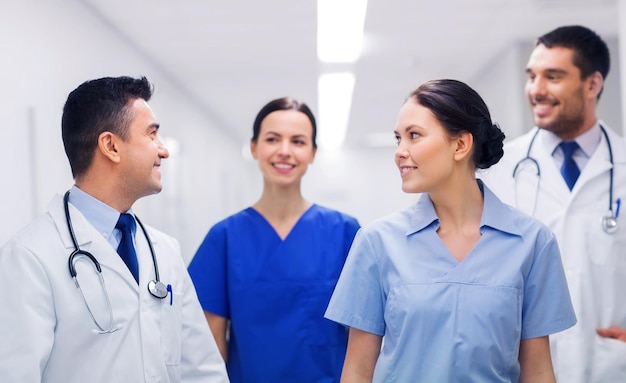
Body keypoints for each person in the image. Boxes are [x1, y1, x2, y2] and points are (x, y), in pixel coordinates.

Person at [324, 79, 576, 382]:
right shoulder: (377, 242)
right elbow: (356, 371)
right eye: (398, 139)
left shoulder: (533, 243)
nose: (400, 152)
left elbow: (538, 372)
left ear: (460, 145)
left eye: (414, 136)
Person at [0, 76, 229, 383]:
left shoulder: (164, 251)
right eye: (152, 135)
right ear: (111, 146)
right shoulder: (29, 258)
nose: (164, 151)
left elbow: (203, 371)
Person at [479, 25, 626, 382]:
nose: (536, 90)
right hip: (521, 363)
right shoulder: (499, 171)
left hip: (610, 364)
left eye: (553, 77)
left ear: (592, 84)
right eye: (532, 76)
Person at [187, 96, 360, 383]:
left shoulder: (344, 233)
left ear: (313, 152)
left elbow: (363, 339)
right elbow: (211, 348)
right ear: (254, 147)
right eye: (272, 139)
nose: (284, 151)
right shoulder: (225, 238)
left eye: (298, 141)